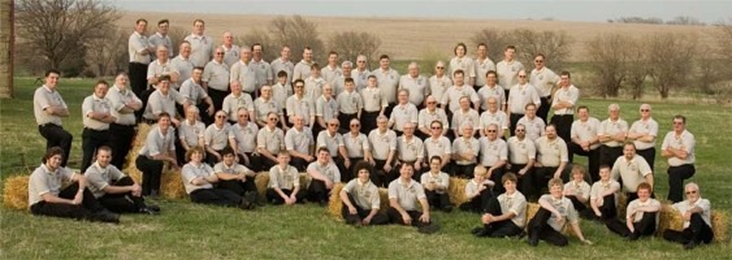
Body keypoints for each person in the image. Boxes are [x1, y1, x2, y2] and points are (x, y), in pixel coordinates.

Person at [28, 147, 119, 223]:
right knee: (72, 208)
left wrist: (80, 192)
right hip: (40, 205)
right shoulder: (39, 174)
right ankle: (98, 218)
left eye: (59, 159)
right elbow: (48, 198)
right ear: (47, 158)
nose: (57, 161)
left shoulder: (59, 169)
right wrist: (71, 202)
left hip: (56, 196)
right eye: (55, 158)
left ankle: (101, 211)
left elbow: (82, 178)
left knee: (77, 187)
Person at [85, 146, 159, 215]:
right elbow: (108, 189)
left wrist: (136, 185)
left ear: (111, 158)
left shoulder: (109, 167)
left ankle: (142, 206)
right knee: (124, 204)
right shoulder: (92, 172)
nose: (105, 159)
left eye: (107, 157)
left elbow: (125, 178)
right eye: (102, 157)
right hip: (97, 200)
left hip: (105, 195)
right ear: (97, 157)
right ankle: (141, 208)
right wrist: (131, 188)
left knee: (127, 180)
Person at [181, 146, 254, 209]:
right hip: (196, 192)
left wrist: (203, 178)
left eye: (200, 153)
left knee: (226, 192)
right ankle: (240, 204)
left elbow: (216, 178)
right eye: (194, 153)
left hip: (210, 189)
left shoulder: (205, 166)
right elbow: (196, 182)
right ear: (190, 156)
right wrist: (209, 179)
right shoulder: (187, 167)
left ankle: (244, 201)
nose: (197, 155)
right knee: (214, 197)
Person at [527, 178, 592, 247]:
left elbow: (574, 222)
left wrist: (582, 239)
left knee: (563, 242)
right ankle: (534, 237)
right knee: (545, 209)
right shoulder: (546, 197)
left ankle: (538, 237)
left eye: (558, 188)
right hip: (536, 225)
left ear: (562, 189)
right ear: (550, 190)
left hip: (549, 230)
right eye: (554, 188)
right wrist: (557, 213)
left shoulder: (567, 202)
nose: (556, 190)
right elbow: (541, 201)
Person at [34, 69, 73, 167]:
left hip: (57, 126)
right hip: (46, 126)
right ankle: (61, 166)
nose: (55, 80)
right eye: (52, 78)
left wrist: (54, 109)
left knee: (52, 150)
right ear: (46, 78)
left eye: (57, 78)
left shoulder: (56, 94)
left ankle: (45, 168)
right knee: (66, 137)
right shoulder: (40, 92)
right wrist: (57, 110)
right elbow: (49, 111)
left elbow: (67, 112)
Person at [387, 163, 440, 234]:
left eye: (409, 170)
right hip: (398, 211)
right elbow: (393, 202)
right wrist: (404, 214)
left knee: (424, 217)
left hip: (412, 211)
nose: (407, 172)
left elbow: (423, 201)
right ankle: (420, 224)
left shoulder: (417, 185)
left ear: (412, 172)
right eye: (404, 169)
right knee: (390, 211)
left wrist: (426, 213)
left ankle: (422, 225)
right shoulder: (393, 184)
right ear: (400, 170)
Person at [473, 173, 527, 238]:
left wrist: (494, 219)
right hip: (504, 220)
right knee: (493, 200)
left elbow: (511, 215)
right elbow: (493, 207)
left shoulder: (520, 198)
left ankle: (488, 230)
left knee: (495, 235)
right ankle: (487, 227)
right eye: (508, 183)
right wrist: (486, 216)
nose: (510, 186)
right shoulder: (502, 196)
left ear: (516, 184)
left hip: (515, 224)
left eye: (513, 183)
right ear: (504, 185)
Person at [136, 113, 178, 197]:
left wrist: (175, 163)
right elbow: (155, 156)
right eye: (163, 120)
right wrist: (171, 160)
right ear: (158, 122)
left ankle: (146, 192)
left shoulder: (170, 131)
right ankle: (154, 191)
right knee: (157, 165)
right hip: (143, 159)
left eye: (168, 120)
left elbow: (171, 148)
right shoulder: (153, 134)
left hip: (152, 160)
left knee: (153, 168)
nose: (165, 122)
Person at [107, 72, 143, 169]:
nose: (124, 82)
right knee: (115, 154)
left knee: (124, 153)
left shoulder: (129, 92)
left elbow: (140, 104)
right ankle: (112, 179)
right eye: (121, 79)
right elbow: (120, 108)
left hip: (128, 129)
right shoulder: (112, 92)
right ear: (116, 80)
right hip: (116, 128)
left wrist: (126, 104)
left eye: (126, 80)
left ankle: (118, 177)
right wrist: (132, 108)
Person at [663, 183, 714, 250]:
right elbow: (668, 207)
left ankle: (694, 241)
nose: (691, 194)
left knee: (695, 215)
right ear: (686, 195)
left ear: (698, 192)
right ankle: (692, 241)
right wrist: (653, 205)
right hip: (690, 231)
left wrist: (690, 211)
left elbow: (699, 209)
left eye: (693, 192)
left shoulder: (705, 202)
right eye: (688, 193)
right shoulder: (683, 204)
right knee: (667, 233)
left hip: (704, 231)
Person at [340, 161, 390, 226]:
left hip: (366, 211)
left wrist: (369, 217)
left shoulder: (374, 188)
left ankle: (362, 221)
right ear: (358, 174)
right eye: (361, 172)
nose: (364, 175)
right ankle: (356, 220)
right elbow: (342, 192)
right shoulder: (354, 182)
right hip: (354, 208)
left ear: (369, 174)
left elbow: (376, 207)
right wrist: (350, 206)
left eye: (366, 172)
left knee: (384, 217)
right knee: (347, 196)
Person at [80, 80, 115, 174]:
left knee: (103, 158)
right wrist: (105, 115)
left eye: (104, 89)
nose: (102, 91)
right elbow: (91, 115)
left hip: (104, 134)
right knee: (88, 157)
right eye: (100, 88)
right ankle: (83, 179)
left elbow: (113, 119)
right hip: (90, 133)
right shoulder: (89, 100)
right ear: (95, 88)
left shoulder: (108, 102)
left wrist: (98, 116)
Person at [661, 115, 696, 203]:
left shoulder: (689, 136)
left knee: (675, 174)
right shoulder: (669, 135)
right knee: (673, 174)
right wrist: (678, 151)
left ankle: (673, 200)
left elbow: (684, 156)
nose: (676, 125)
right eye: (675, 123)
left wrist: (671, 149)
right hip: (672, 167)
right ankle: (677, 202)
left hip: (686, 166)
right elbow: (663, 153)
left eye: (679, 123)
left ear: (684, 125)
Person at [532, 124, 569, 200]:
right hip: (542, 167)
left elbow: (564, 159)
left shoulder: (561, 142)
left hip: (556, 167)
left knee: (564, 174)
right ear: (545, 132)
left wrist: (559, 170)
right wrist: (534, 162)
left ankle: (560, 195)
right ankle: (539, 195)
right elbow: (530, 152)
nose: (550, 133)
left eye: (552, 131)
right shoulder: (539, 141)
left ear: (556, 131)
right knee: (537, 174)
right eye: (548, 131)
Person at [570, 106, 601, 181]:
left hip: (594, 147)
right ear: (578, 114)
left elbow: (600, 136)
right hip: (582, 147)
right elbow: (573, 137)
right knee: (569, 145)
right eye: (581, 113)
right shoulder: (575, 123)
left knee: (593, 169)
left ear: (588, 113)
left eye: (585, 112)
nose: (583, 114)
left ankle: (594, 183)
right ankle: (568, 165)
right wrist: (581, 144)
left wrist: (588, 143)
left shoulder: (595, 121)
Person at [507, 70, 541, 135]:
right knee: (513, 135)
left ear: (527, 77)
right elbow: (509, 104)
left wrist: (530, 112)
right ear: (517, 77)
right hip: (513, 116)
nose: (522, 78)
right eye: (520, 76)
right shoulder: (513, 88)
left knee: (525, 135)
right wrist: (508, 118)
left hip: (525, 116)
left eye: (524, 76)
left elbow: (538, 103)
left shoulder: (531, 88)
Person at [506, 124, 536, 199]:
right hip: (512, 164)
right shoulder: (510, 141)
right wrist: (507, 163)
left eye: (522, 130)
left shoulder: (530, 143)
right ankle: (510, 196)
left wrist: (525, 169)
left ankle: (524, 198)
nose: (520, 132)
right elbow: (506, 154)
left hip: (526, 165)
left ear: (525, 132)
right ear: (515, 131)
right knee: (508, 177)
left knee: (527, 177)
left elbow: (531, 160)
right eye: (518, 130)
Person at [128, 19, 155, 98]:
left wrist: (148, 49)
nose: (142, 27)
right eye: (141, 25)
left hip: (145, 67)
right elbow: (142, 51)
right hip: (136, 66)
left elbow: (154, 48)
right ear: (136, 26)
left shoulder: (145, 38)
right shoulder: (134, 38)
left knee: (143, 90)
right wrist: (148, 49)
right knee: (137, 90)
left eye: (144, 26)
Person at [627, 104, 658, 172]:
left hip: (647, 151)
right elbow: (629, 135)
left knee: (647, 170)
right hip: (636, 151)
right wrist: (642, 135)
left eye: (647, 110)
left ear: (650, 112)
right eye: (642, 110)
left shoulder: (653, 123)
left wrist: (635, 137)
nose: (644, 112)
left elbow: (650, 139)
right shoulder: (636, 123)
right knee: (635, 170)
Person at [368, 116, 397, 187]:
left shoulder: (392, 134)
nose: (383, 124)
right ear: (377, 124)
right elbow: (368, 149)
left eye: (385, 123)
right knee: (373, 178)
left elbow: (392, 150)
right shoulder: (372, 133)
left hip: (387, 160)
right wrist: (371, 160)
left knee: (390, 178)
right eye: (381, 123)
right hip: (374, 160)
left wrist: (388, 163)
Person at [550, 71, 578, 143]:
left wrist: (560, 102)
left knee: (566, 139)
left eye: (566, 79)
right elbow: (554, 106)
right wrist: (565, 103)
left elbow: (570, 105)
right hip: (557, 117)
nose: (564, 81)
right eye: (562, 79)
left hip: (567, 117)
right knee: (553, 137)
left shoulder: (574, 90)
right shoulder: (558, 91)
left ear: (569, 79)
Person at [530, 54, 560, 123]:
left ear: (544, 62)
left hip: (544, 99)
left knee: (542, 119)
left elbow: (559, 82)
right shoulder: (533, 72)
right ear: (534, 61)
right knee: (534, 119)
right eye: (537, 61)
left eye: (541, 61)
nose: (538, 63)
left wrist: (553, 95)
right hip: (535, 99)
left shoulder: (548, 72)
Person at [479, 123, 508, 193]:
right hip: (483, 165)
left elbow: (503, 160)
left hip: (496, 166)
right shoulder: (481, 141)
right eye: (489, 131)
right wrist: (479, 165)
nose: (491, 133)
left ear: (497, 132)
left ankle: (496, 194)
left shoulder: (502, 143)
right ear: (486, 132)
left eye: (494, 131)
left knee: (497, 172)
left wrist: (491, 169)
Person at [598, 103, 628, 169]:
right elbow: (601, 139)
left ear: (618, 112)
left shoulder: (624, 123)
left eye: (615, 111)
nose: (613, 113)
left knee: (617, 169)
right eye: (611, 111)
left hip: (618, 149)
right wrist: (616, 136)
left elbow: (623, 139)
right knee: (604, 169)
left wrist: (609, 136)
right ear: (609, 112)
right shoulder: (603, 123)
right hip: (605, 149)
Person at [202, 47, 230, 111]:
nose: (220, 55)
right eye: (218, 53)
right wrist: (206, 96)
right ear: (214, 54)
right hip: (213, 93)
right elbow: (204, 82)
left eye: (222, 53)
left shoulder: (226, 66)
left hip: (223, 94)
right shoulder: (209, 65)